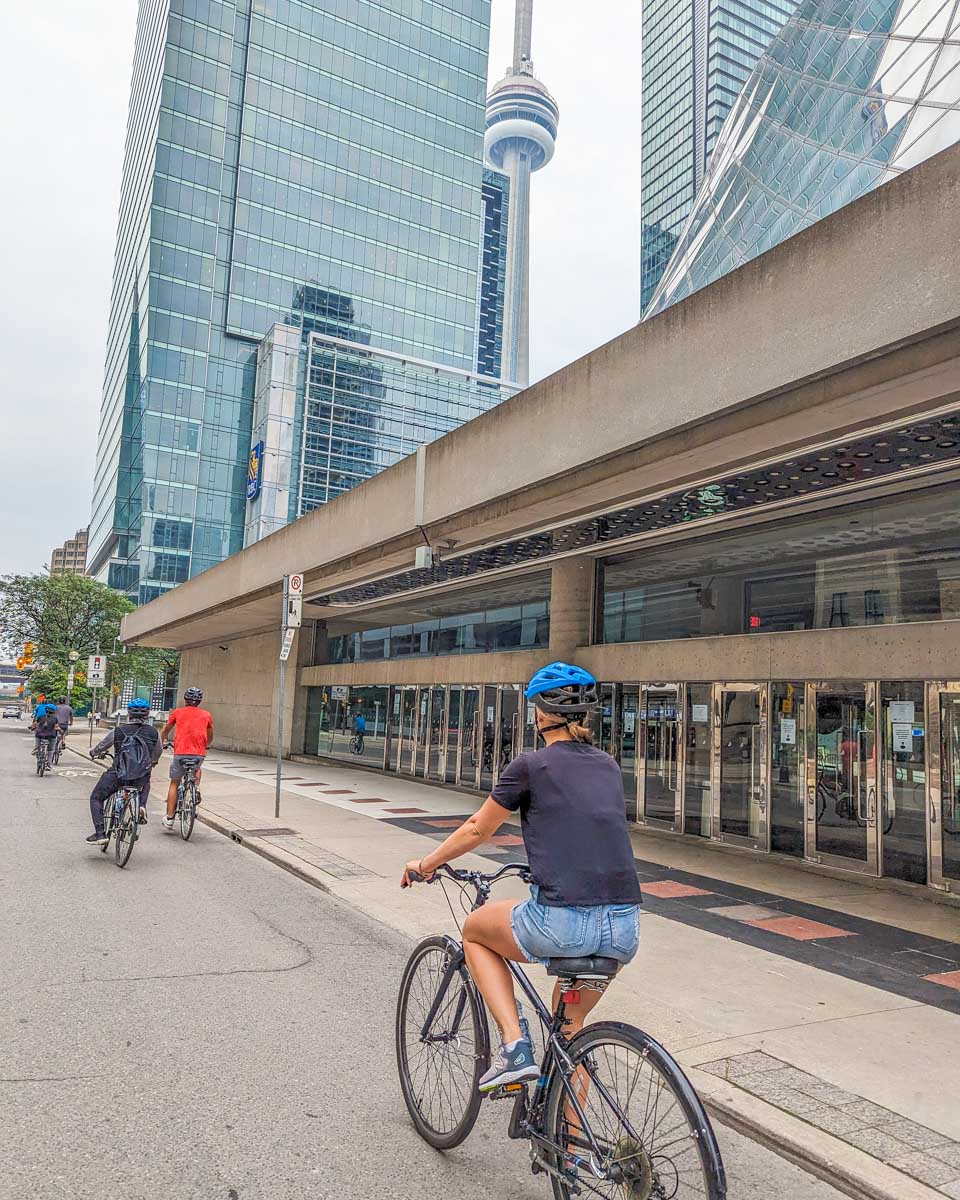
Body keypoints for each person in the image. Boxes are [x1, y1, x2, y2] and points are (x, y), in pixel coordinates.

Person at [401, 662, 642, 1093]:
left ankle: (513, 1047)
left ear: (543, 713)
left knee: (474, 932)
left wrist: (428, 863)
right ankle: (572, 1157)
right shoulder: (607, 765)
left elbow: (479, 828)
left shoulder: (530, 766)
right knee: (570, 1036)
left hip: (563, 926)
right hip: (624, 928)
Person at [87, 699, 162, 843]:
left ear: (128, 714)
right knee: (146, 777)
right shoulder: (154, 732)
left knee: (96, 798)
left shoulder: (118, 731)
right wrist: (152, 762)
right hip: (139, 778)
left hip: (118, 774)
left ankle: (100, 834)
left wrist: (93, 752)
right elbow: (157, 751)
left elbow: (102, 746)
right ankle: (141, 805)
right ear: (147, 715)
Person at [159, 687, 213, 830]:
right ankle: (195, 787)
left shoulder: (177, 712)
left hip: (181, 752)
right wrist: (206, 745)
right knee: (197, 769)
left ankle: (170, 818)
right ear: (199, 701)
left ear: (185, 699)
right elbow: (210, 735)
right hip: (198, 754)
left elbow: (165, 730)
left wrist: (161, 743)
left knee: (174, 783)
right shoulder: (206, 715)